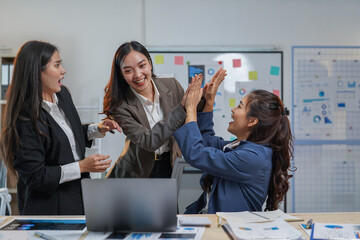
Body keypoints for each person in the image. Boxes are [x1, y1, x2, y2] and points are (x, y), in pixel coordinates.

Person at [0, 41, 121, 215]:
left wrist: (97, 128)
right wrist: (81, 167)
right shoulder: (25, 118)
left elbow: (64, 135)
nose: (63, 70)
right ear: (37, 72)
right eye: (57, 65)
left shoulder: (62, 95)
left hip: (79, 199)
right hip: (49, 209)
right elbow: (36, 176)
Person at [103, 41, 226, 178]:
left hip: (170, 164)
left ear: (150, 63)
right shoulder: (120, 105)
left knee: (169, 200)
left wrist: (204, 97)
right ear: (121, 74)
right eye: (128, 71)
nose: (138, 74)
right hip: (136, 172)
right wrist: (182, 106)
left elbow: (189, 118)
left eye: (142, 65)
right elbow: (149, 141)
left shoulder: (171, 85)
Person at [174, 75, 294, 213]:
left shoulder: (253, 157)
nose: (233, 109)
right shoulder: (243, 147)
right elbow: (207, 140)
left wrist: (191, 108)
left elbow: (196, 153)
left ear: (252, 121)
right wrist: (209, 102)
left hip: (231, 228)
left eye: (239, 106)